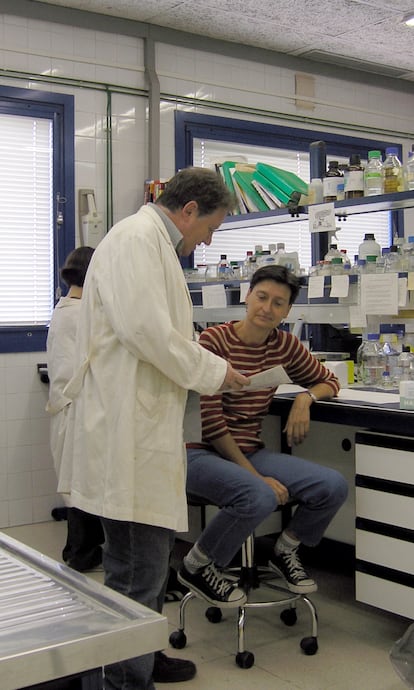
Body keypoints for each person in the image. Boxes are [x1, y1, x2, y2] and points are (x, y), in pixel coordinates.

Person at [57, 167, 250, 690]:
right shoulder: (137, 240)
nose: (207, 239)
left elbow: (157, 331)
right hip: (128, 437)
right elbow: (148, 332)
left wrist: (204, 364)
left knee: (138, 566)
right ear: (188, 210)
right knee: (137, 570)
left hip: (138, 431)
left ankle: (140, 656)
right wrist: (215, 372)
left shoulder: (148, 244)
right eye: (209, 226)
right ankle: (123, 679)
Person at [179, 264, 349, 604]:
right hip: (197, 453)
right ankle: (196, 566)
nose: (267, 308)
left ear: (287, 311)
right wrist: (257, 477)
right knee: (259, 494)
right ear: (247, 296)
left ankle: (283, 551)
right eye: (262, 297)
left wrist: (306, 397)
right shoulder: (214, 341)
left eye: (278, 303)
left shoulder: (284, 345)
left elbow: (330, 381)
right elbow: (212, 427)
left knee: (331, 486)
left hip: (249, 450)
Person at [46, 246, 105, 572]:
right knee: (84, 485)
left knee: (80, 483)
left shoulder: (65, 308)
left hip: (67, 408)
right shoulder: (79, 314)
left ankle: (82, 551)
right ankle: (81, 554)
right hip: (75, 409)